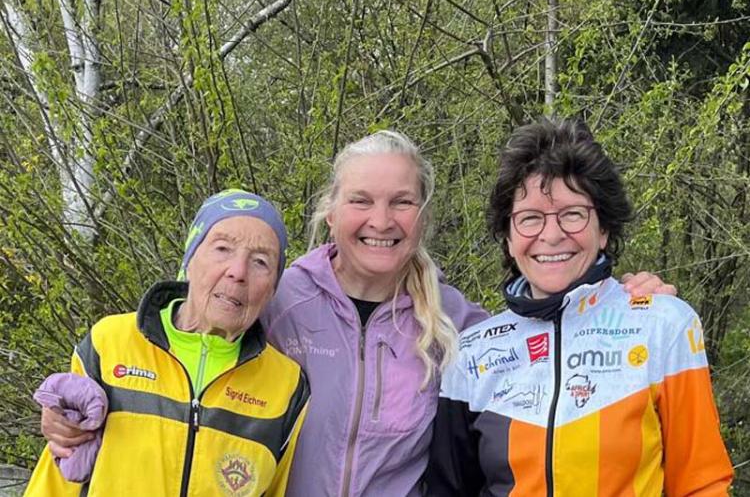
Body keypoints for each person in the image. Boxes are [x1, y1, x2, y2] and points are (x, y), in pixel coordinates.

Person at [39, 131, 675, 496]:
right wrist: (75, 413)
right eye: (361, 200)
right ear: (331, 211)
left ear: (422, 217)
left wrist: (615, 299)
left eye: (401, 201)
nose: (381, 220)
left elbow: (544, 333)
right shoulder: (275, 295)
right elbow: (179, 352)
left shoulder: (460, 325)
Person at [426, 118, 733, 496]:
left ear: (603, 229)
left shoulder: (664, 325)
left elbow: (703, 484)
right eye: (530, 218)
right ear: (507, 238)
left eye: (572, 213)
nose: (552, 235)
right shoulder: (472, 351)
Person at [25, 190, 310, 497]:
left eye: (260, 262)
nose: (238, 272)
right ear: (190, 259)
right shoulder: (110, 343)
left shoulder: (285, 386)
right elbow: (60, 470)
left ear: (273, 288)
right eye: (223, 248)